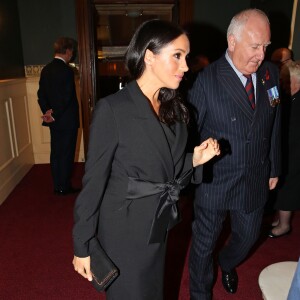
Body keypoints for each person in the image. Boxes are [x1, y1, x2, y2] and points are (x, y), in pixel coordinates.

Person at [72, 19, 220, 300]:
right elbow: (92, 183)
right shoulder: (113, 110)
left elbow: (169, 171)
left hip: (157, 224)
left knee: (154, 292)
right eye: (177, 56)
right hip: (123, 230)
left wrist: (196, 159)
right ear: (150, 56)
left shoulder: (173, 108)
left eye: (186, 57)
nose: (186, 66)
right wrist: (82, 244)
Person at [188, 9, 281, 299]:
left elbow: (274, 123)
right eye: (254, 47)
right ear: (232, 41)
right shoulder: (206, 80)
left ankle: (227, 262)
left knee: (249, 236)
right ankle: (199, 295)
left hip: (255, 174)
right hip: (217, 178)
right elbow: (191, 135)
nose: (261, 54)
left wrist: (274, 167)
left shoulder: (270, 73)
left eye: (265, 46)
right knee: (203, 246)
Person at [37, 37, 80, 195]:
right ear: (67, 51)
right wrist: (54, 114)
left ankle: (57, 185)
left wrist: (47, 112)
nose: (72, 55)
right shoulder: (67, 71)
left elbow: (40, 95)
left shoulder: (46, 69)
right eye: (72, 52)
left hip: (53, 121)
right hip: (67, 120)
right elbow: (67, 97)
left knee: (56, 153)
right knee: (66, 153)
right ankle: (64, 186)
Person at [269, 61, 300, 238]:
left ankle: (284, 226)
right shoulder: (281, 94)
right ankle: (280, 220)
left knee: (288, 189)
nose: (284, 84)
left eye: (288, 81)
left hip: (294, 152)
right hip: (282, 148)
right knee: (280, 188)